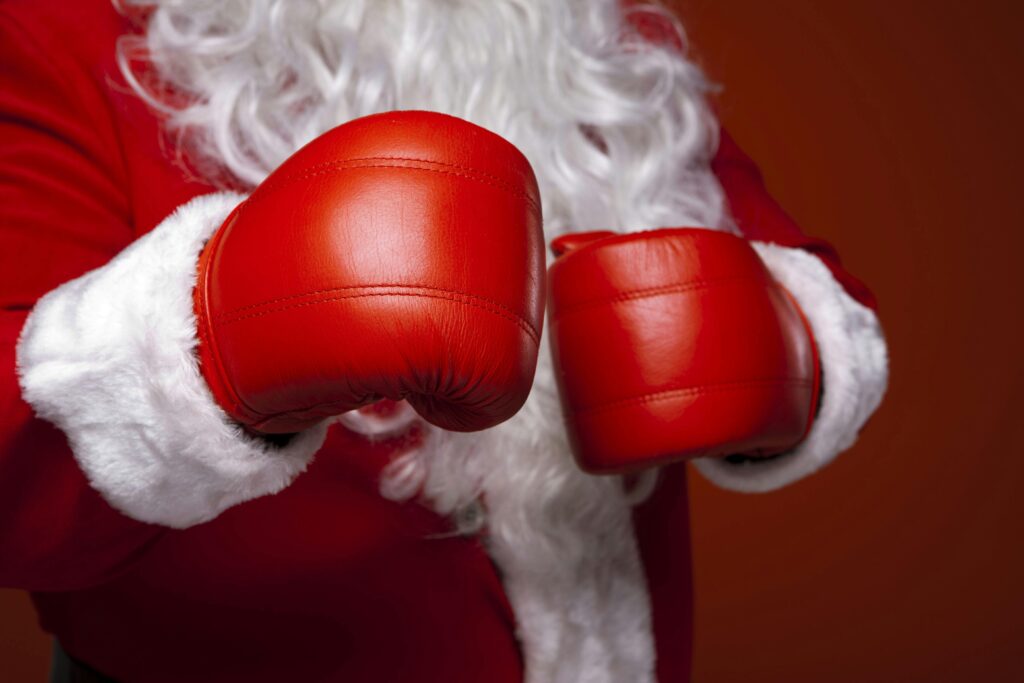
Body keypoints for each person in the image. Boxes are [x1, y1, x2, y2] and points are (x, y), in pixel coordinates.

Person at [0, 0, 888, 681]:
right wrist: (215, 343)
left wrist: (782, 350)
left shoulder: (605, 34)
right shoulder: (55, 30)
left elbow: (815, 297)